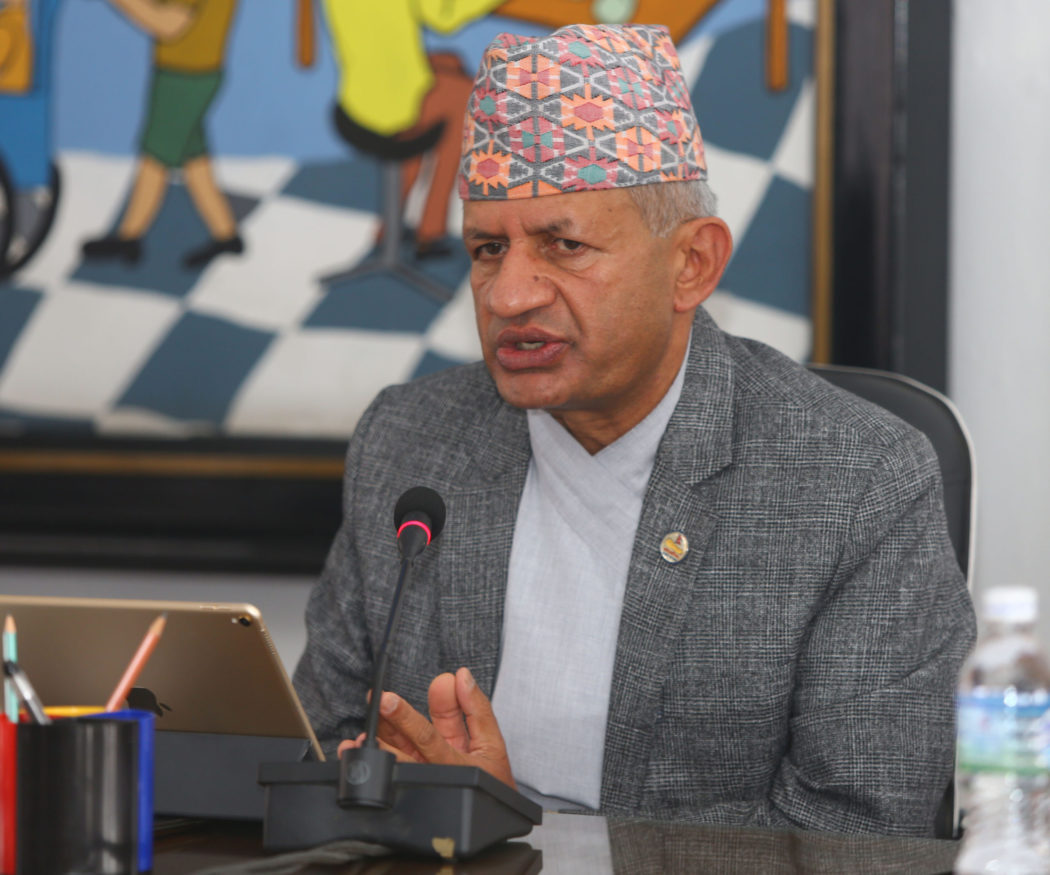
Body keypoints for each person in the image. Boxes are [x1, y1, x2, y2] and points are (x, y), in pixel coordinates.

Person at [293, 23, 975, 836]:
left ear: (692, 264)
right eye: (488, 247)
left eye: (563, 245)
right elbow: (316, 748)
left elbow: (856, 832)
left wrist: (521, 834)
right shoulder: (409, 440)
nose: (508, 295)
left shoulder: (858, 478)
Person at [81, 0, 243, 269]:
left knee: (155, 154)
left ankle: (129, 237)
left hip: (185, 75)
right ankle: (226, 234)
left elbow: (168, 24)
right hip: (192, 70)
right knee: (194, 155)